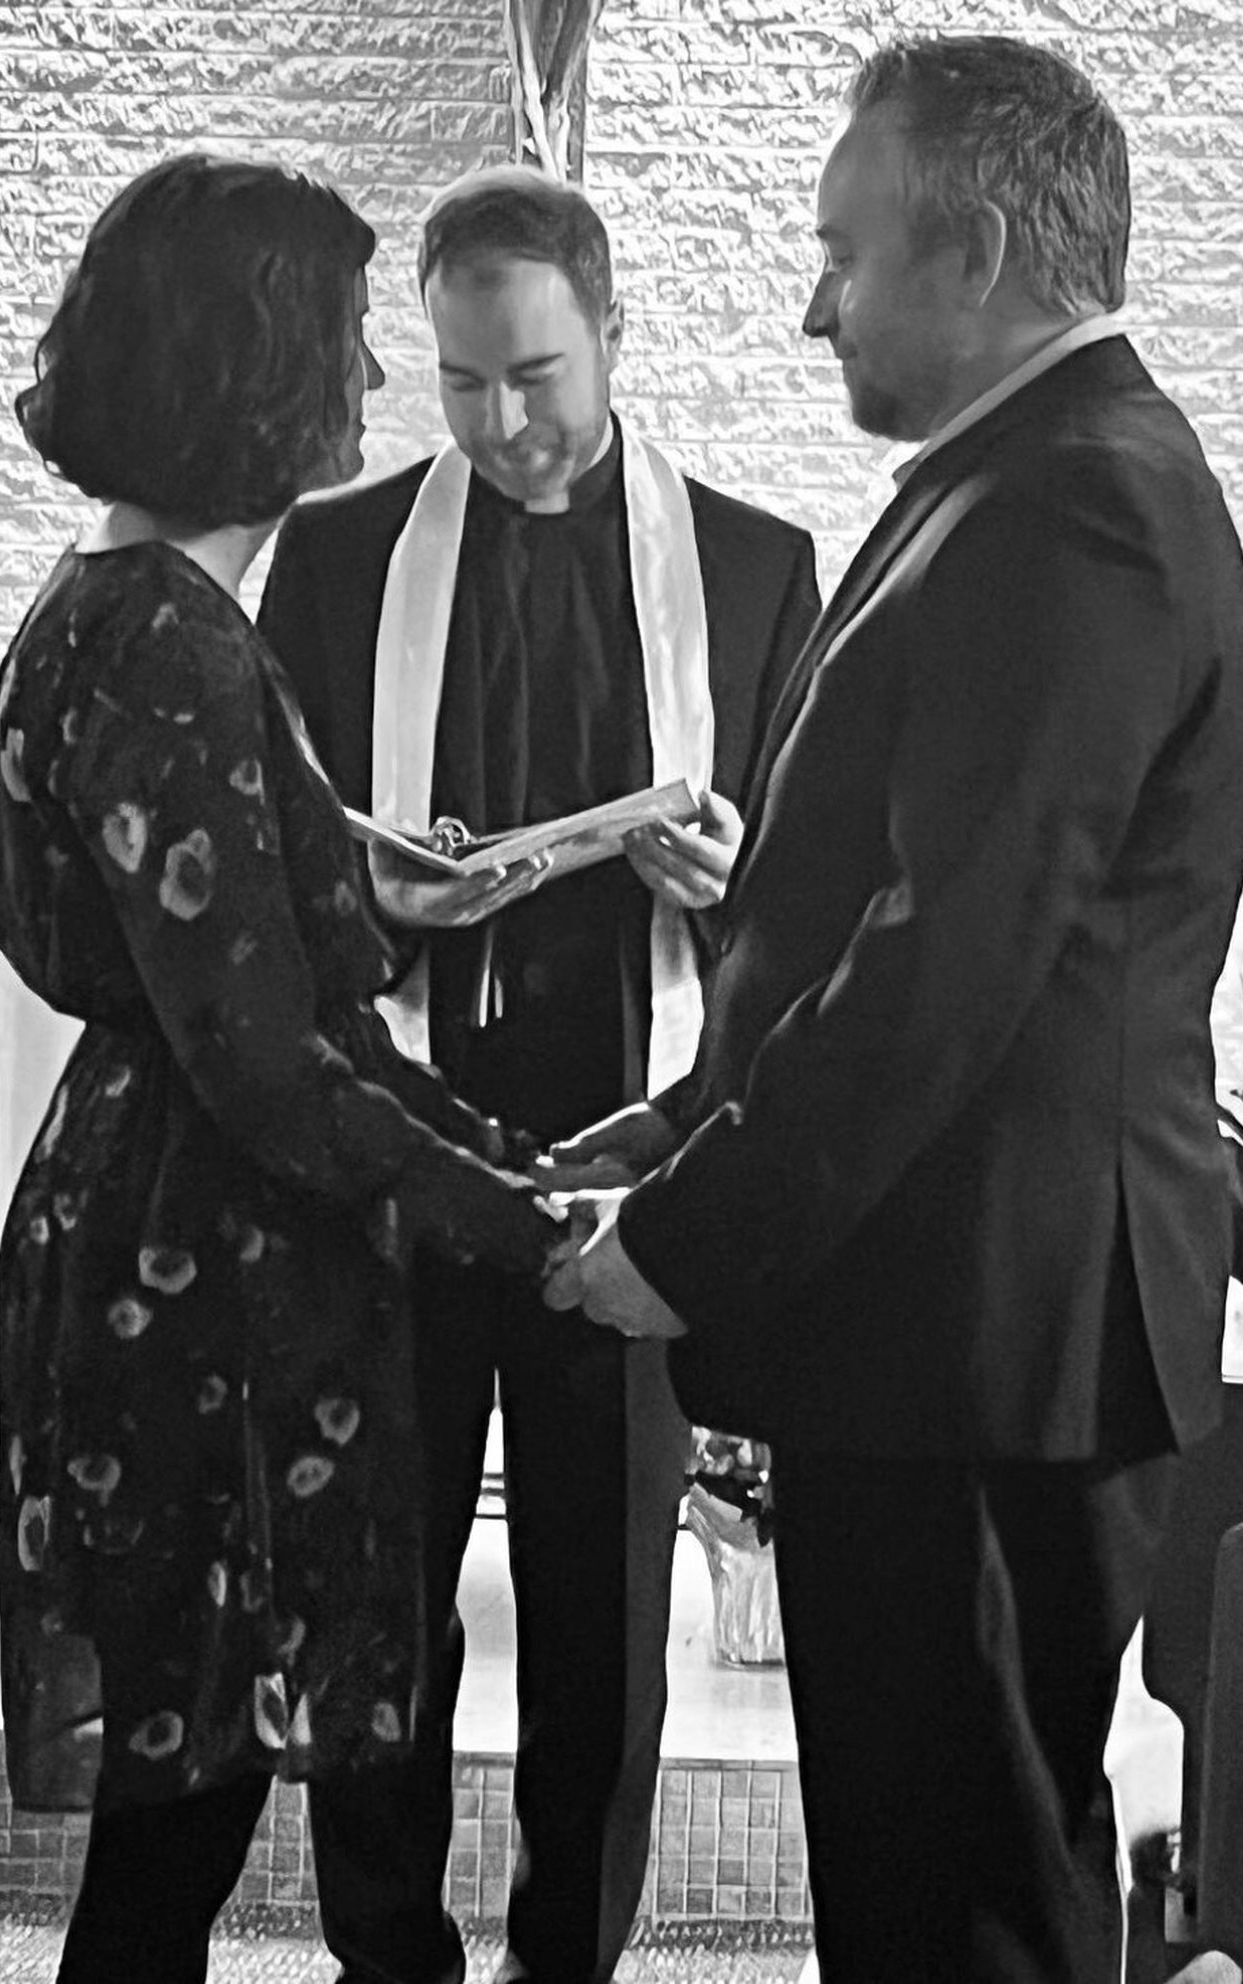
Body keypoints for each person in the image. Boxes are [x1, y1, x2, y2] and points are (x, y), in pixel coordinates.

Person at [546, 36, 1243, 1984]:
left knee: (952, 1913)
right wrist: (682, 1120)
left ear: (971, 255)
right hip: (963, 1322)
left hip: (981, 1339)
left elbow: (948, 960)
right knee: (922, 1876)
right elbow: (889, 908)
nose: (808, 303)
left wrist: (689, 1242)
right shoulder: (1029, 478)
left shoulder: (1073, 506)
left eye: (839, 253)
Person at [0, 154, 563, 1984]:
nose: (378, 391)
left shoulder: (108, 604)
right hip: (204, 1269)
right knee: (184, 1831)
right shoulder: (170, 637)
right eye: (344, 345)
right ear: (257, 370)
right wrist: (528, 1206)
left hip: (156, 1214)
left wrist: (336, 866)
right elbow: (265, 1063)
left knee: (193, 1812)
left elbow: (162, 931)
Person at [259, 166, 820, 1984]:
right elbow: (262, 871)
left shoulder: (750, 567)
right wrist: (364, 882)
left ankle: (566, 1962)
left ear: (613, 333)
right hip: (400, 1167)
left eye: (538, 376)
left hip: (625, 1170)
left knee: (601, 1636)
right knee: (379, 1618)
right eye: (464, 383)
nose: (502, 425)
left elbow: (822, 923)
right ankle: (382, 1957)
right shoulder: (338, 560)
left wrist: (736, 889)